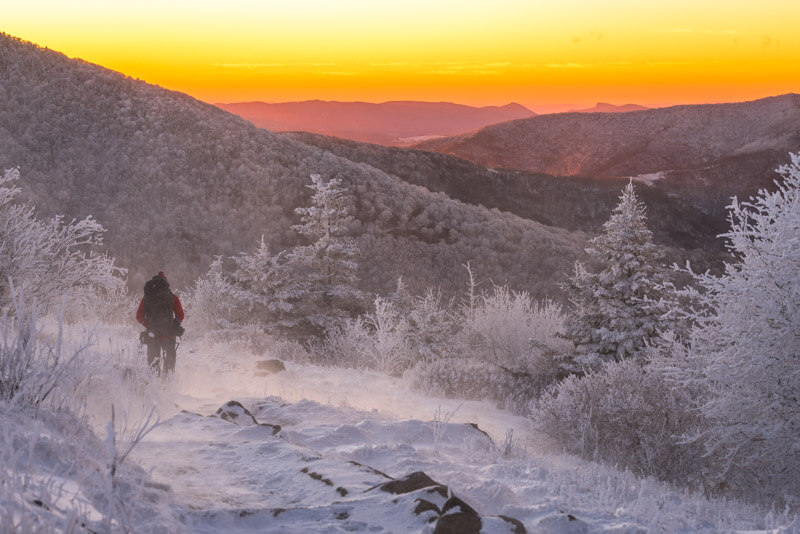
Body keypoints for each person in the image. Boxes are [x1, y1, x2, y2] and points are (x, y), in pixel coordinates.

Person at [136, 271, 185, 376]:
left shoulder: (146, 297)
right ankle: (168, 380)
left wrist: (148, 324)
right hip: (169, 334)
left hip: (152, 334)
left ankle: (154, 381)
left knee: (153, 364)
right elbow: (180, 314)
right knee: (170, 362)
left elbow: (139, 316)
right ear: (166, 283)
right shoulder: (172, 297)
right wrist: (175, 323)